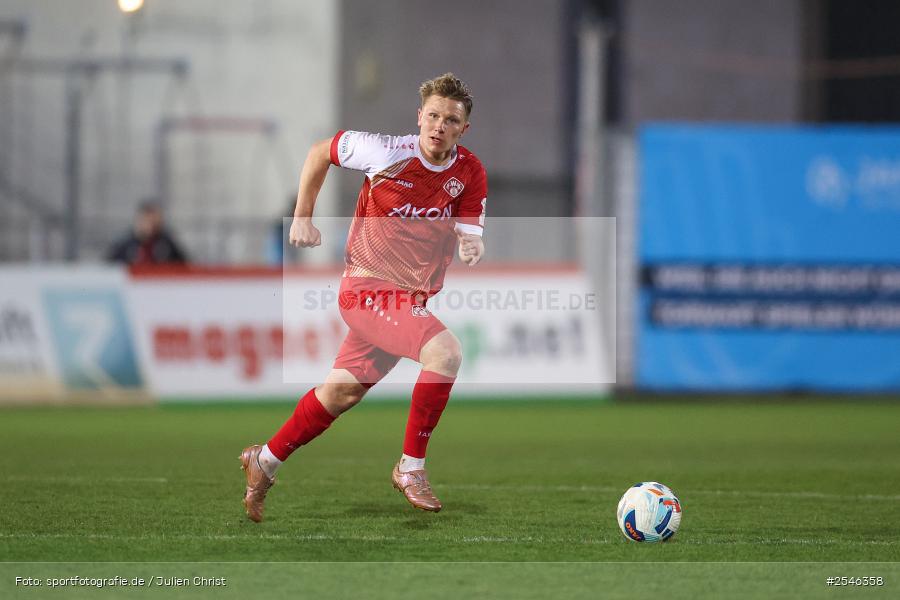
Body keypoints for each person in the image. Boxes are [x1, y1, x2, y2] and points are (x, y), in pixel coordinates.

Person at [240, 73, 487, 521]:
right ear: (419, 116)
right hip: (368, 289)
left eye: (450, 119)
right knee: (445, 354)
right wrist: (302, 217)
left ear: (463, 129)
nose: (439, 125)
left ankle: (265, 460)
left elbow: (471, 231)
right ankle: (410, 468)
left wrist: (472, 243)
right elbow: (320, 152)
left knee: (340, 394)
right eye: (432, 115)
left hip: (407, 300)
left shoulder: (469, 172)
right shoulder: (386, 151)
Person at [106, 200, 188, 265]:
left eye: (154, 222)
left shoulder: (166, 242)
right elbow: (108, 267)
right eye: (147, 221)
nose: (150, 226)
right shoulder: (125, 243)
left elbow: (184, 264)